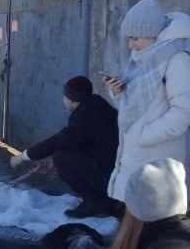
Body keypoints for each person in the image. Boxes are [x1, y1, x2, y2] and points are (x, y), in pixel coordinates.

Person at [102, 0, 190, 203]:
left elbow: (185, 112)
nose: (131, 44)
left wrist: (143, 135)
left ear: (152, 34)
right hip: (135, 155)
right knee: (135, 219)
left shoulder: (177, 60)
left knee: (152, 221)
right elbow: (136, 108)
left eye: (135, 38)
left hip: (157, 157)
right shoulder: (143, 58)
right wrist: (120, 93)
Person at [9, 75, 120, 218]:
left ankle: (98, 202)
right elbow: (78, 142)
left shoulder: (86, 118)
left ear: (72, 100)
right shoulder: (94, 105)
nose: (63, 100)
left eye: (65, 96)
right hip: (113, 169)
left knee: (60, 157)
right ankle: (100, 200)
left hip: (111, 177)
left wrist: (22, 157)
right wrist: (51, 163)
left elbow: (57, 141)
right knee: (60, 156)